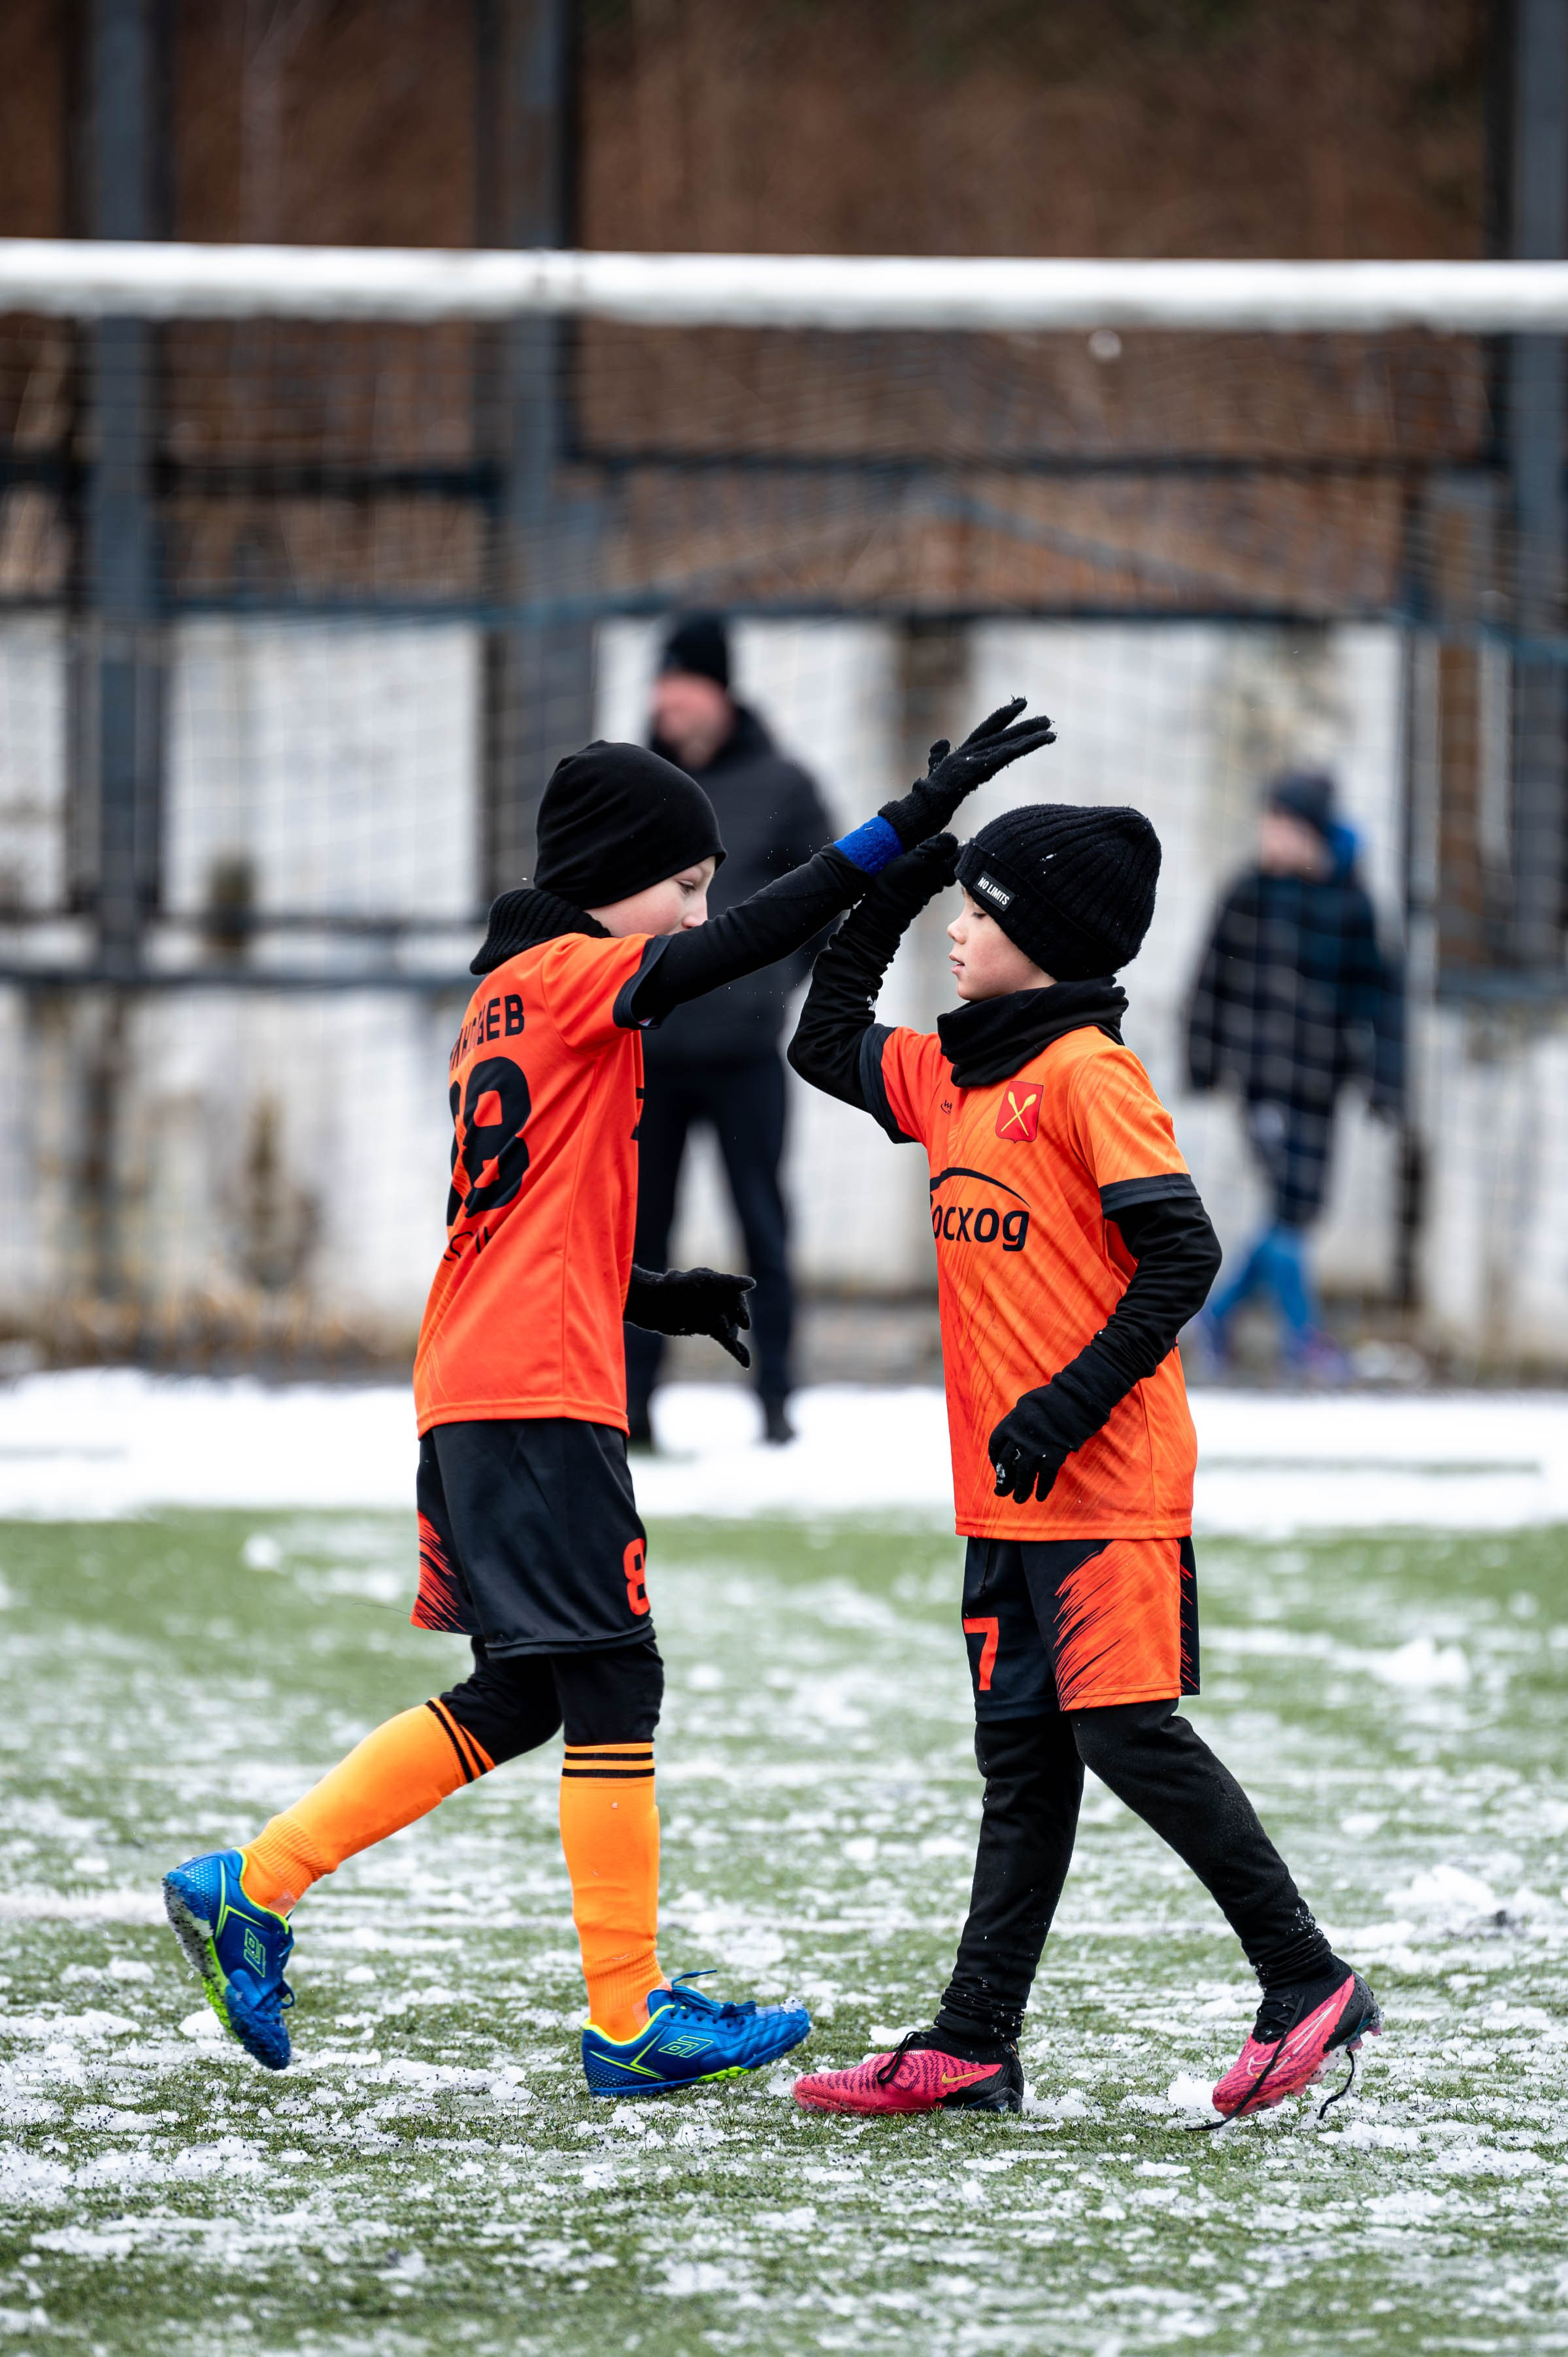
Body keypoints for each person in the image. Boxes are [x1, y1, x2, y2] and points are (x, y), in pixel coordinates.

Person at [160, 701, 1055, 2098]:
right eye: (681, 883)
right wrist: (902, 827)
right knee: (615, 1677)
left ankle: (255, 1885)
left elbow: (519, 1219)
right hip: (530, 1392)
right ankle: (627, 2016)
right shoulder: (579, 972)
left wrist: (650, 1294)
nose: (693, 911)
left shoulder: (501, 996)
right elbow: (749, 940)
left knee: (528, 1689)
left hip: (483, 1376)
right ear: (608, 878)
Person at [786, 803, 1380, 2121]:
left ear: (1043, 941)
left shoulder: (1085, 1075)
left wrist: (1062, 1405)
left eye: (979, 913)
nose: (956, 932)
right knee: (1021, 1764)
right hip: (1002, 1501)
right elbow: (819, 1037)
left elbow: (1181, 1255)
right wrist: (897, 877)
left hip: (1105, 1486)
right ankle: (971, 2042)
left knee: (1122, 1731)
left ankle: (1305, 1979)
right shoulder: (950, 1073)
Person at [627, 614, 834, 1448]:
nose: (666, 702)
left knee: (762, 1227)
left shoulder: (783, 783)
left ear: (717, 690)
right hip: (644, 1056)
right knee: (637, 1234)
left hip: (745, 1056)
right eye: (660, 686)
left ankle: (775, 1403)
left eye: (680, 684)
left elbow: (826, 895)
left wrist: (770, 987)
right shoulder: (637, 783)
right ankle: (630, 1408)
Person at [1185, 771, 1404, 1377]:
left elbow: (1381, 1000)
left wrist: (1385, 1081)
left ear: (1310, 833)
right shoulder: (1246, 893)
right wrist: (1203, 1061)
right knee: (1289, 1203)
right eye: (1267, 823)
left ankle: (1217, 1318)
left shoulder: (1353, 904)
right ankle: (1303, 1339)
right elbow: (1210, 980)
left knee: (1300, 1212)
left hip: (1323, 1085)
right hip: (1262, 1082)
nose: (1269, 836)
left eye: (1281, 825)